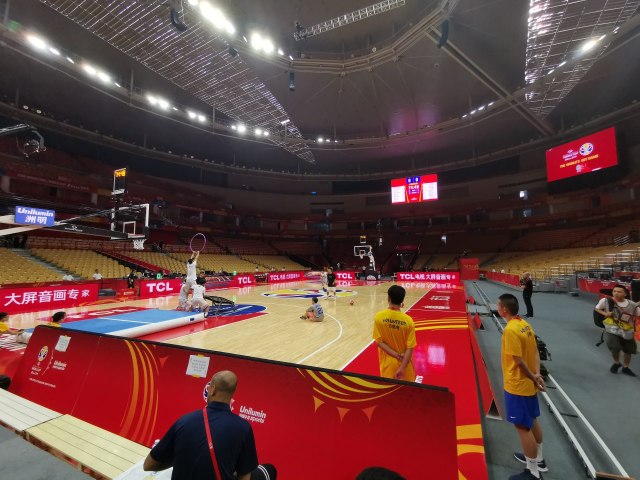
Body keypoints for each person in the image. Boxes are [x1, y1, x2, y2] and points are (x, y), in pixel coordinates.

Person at [143, 370, 259, 480]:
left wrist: (179, 459)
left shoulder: (184, 421)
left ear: (212, 390)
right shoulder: (244, 428)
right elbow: (244, 475)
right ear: (232, 393)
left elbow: (148, 465)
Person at [498, 293, 546, 480]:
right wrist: (537, 374)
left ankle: (533, 471)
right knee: (532, 419)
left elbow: (518, 360)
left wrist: (533, 376)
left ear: (504, 309)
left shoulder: (510, 330)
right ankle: (539, 460)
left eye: (498, 305)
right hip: (529, 383)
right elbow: (535, 351)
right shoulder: (525, 324)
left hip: (518, 384)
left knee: (522, 426)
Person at [372, 285, 416, 381]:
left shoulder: (379, 317)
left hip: (388, 366)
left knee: (388, 390)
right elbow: (410, 348)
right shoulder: (408, 321)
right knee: (407, 390)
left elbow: (379, 342)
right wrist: (402, 368)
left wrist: (396, 355)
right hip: (406, 365)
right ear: (402, 301)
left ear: (389, 298)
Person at [594, 284, 638, 376]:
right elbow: (597, 308)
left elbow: (638, 313)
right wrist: (605, 313)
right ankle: (617, 363)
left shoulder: (632, 305)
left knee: (628, 350)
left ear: (625, 294)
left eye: (619, 292)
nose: (616, 293)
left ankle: (625, 367)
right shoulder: (606, 301)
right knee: (614, 347)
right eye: (614, 291)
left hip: (627, 330)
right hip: (612, 329)